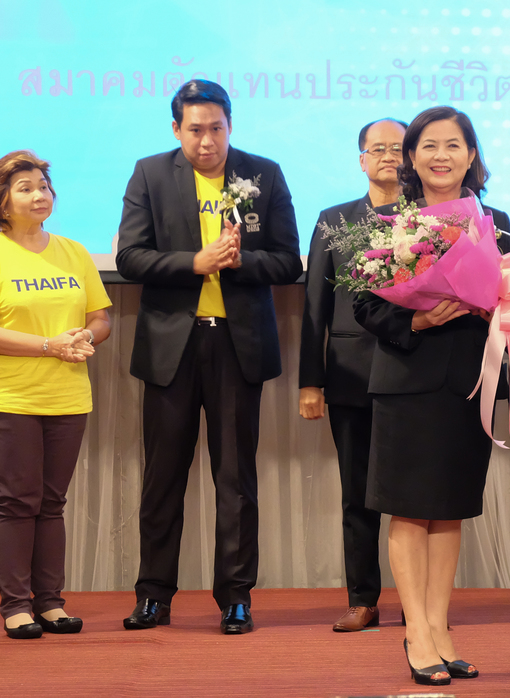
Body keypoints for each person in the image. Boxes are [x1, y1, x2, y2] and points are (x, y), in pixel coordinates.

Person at [116, 79, 302, 634]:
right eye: (195, 130)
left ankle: (236, 597)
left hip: (237, 346)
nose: (206, 141)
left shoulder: (263, 174)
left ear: (230, 125)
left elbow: (288, 260)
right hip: (172, 346)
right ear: (177, 129)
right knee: (163, 477)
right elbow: (130, 257)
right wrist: (194, 262)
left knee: (236, 479)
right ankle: (153, 595)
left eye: (216, 129)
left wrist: (240, 262)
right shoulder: (150, 174)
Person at [353, 105, 510, 686]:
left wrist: (506, 302)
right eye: (429, 145)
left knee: (450, 510)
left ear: (471, 155)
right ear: (411, 157)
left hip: (469, 379)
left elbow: (508, 292)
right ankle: (416, 632)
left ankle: (441, 630)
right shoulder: (388, 220)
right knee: (409, 507)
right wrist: (415, 321)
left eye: (453, 145)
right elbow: (363, 304)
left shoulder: (494, 221)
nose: (441, 156)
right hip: (407, 379)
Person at [299, 117, 407, 632]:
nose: (389, 156)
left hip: (415, 374)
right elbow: (314, 308)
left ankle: (419, 599)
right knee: (357, 495)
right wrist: (310, 381)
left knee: (416, 496)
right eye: (377, 149)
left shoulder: (433, 218)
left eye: (398, 148)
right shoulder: (334, 220)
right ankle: (362, 598)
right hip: (351, 374)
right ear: (361, 159)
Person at [0, 151, 111, 639]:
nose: (39, 195)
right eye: (25, 188)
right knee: (16, 502)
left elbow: (100, 318)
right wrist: (49, 345)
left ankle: (49, 602)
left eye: (43, 186)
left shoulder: (73, 251)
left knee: (51, 502)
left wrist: (85, 336)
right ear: (3, 202)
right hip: (13, 397)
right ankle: (14, 605)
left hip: (68, 396)